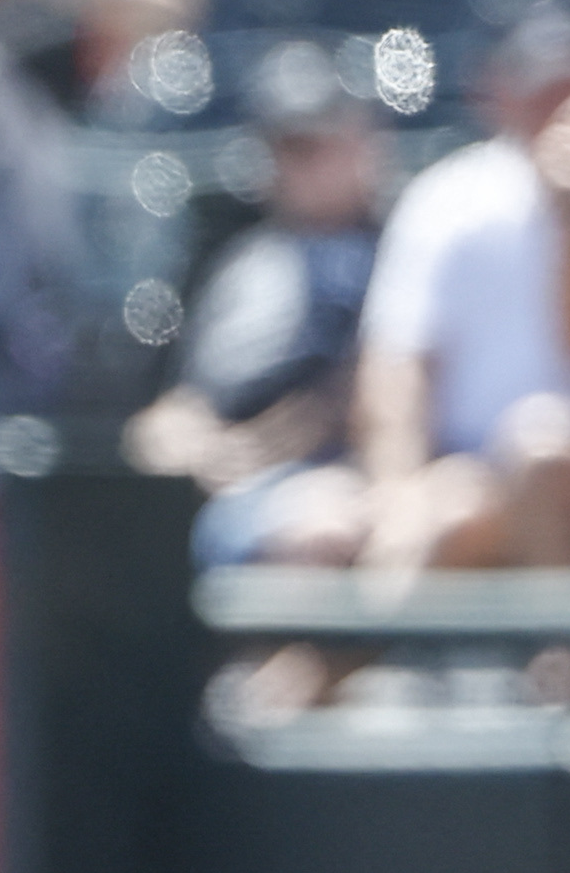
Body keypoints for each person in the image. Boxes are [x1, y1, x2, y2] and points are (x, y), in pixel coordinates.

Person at [354, 9, 570, 572]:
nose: (558, 111)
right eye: (542, 93)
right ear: (503, 96)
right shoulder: (447, 199)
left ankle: (563, 656)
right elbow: (396, 363)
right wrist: (396, 487)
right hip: (476, 469)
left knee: (542, 449)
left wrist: (569, 210)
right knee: (417, 535)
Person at [125, 47, 380, 568]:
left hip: (337, 475)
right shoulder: (241, 260)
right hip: (236, 486)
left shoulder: (397, 248)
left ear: (361, 148)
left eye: (315, 148)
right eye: (284, 150)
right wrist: (185, 442)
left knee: (320, 528)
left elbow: (355, 398)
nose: (295, 168)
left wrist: (251, 453)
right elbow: (181, 405)